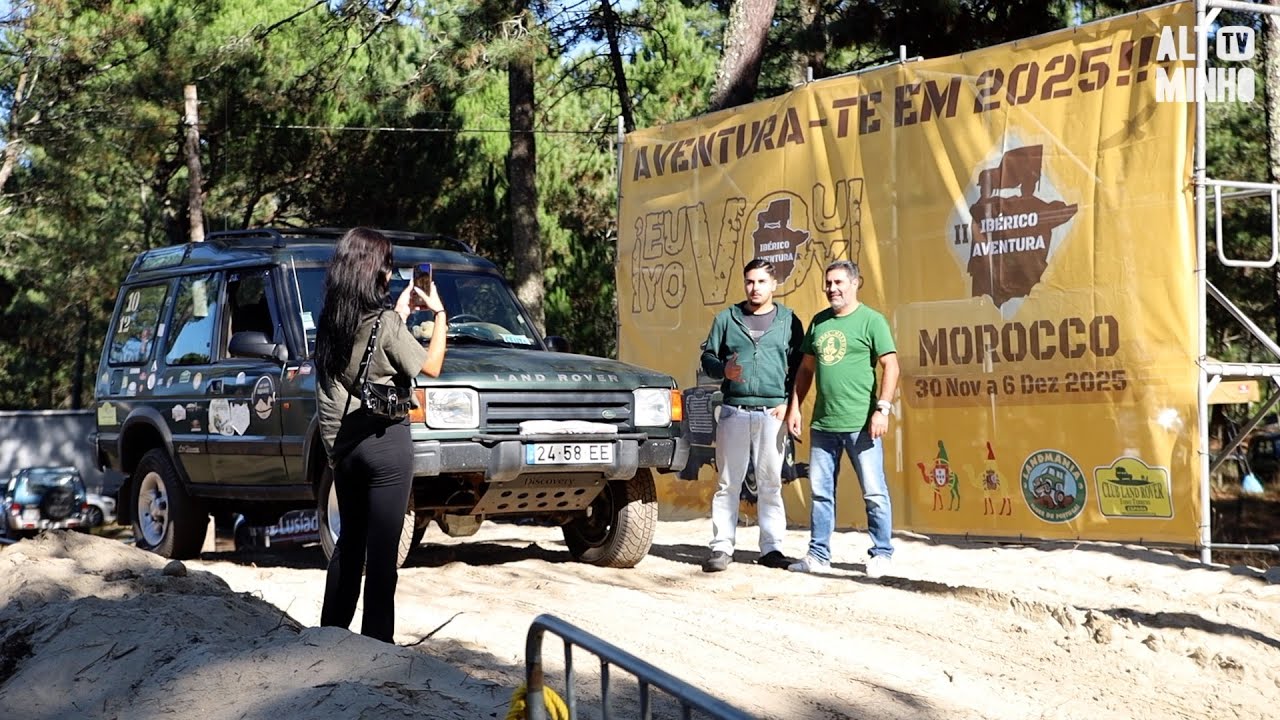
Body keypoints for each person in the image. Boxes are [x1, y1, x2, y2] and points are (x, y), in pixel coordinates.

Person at [314, 227, 448, 643]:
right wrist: (439, 315)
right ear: (374, 270)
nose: (390, 273)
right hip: (387, 444)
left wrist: (400, 314)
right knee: (383, 554)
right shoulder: (385, 322)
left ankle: (330, 635)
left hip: (347, 446)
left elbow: (363, 363)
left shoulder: (332, 321)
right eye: (387, 265)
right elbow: (431, 366)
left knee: (349, 543)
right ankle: (376, 645)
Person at [785, 260, 899, 578]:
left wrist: (882, 409)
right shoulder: (819, 322)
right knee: (821, 494)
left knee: (874, 492)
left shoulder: (871, 321)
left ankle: (882, 554)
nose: (832, 289)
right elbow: (806, 369)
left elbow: (891, 366)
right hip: (823, 425)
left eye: (838, 282)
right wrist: (795, 407)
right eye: (828, 283)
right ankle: (818, 555)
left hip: (862, 425)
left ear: (855, 283)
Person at [699, 258, 804, 572]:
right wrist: (723, 370)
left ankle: (772, 549)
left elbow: (800, 368)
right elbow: (707, 358)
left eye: (761, 282)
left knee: (771, 483)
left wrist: (790, 404)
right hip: (734, 411)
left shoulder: (789, 320)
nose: (754, 287)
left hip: (773, 413)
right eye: (749, 281)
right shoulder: (726, 318)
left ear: (773, 284)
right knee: (727, 483)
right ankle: (721, 547)